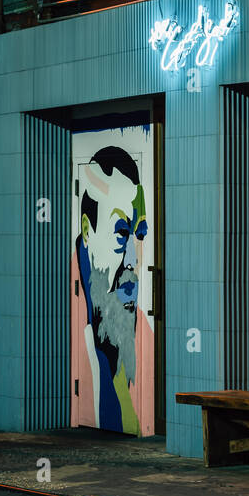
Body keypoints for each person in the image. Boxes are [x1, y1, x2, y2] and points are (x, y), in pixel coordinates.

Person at [73, 145, 154, 435]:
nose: (132, 259)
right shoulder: (74, 317)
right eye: (122, 233)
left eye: (139, 234)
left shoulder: (144, 333)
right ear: (86, 230)